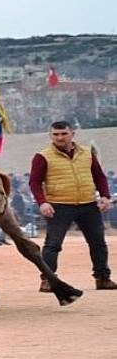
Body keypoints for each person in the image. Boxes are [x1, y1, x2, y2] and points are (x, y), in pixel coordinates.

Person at [29, 120, 117, 292]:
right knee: (53, 245)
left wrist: (105, 196)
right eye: (55, 134)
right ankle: (48, 279)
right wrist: (42, 202)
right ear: (50, 136)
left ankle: (103, 278)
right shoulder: (42, 156)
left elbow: (99, 176)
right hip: (59, 205)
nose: (60, 138)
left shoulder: (87, 153)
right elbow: (34, 182)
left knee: (98, 243)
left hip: (88, 204)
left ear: (72, 134)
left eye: (63, 134)